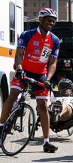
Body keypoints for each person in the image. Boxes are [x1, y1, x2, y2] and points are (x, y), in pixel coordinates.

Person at [0, 8, 60, 153]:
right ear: (41, 20)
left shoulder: (54, 40)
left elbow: (52, 63)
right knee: (12, 96)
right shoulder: (27, 35)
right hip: (24, 72)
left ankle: (46, 142)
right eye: (48, 20)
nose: (51, 23)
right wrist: (19, 68)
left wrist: (49, 79)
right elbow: (19, 54)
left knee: (43, 106)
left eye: (53, 21)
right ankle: (1, 126)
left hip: (40, 74)